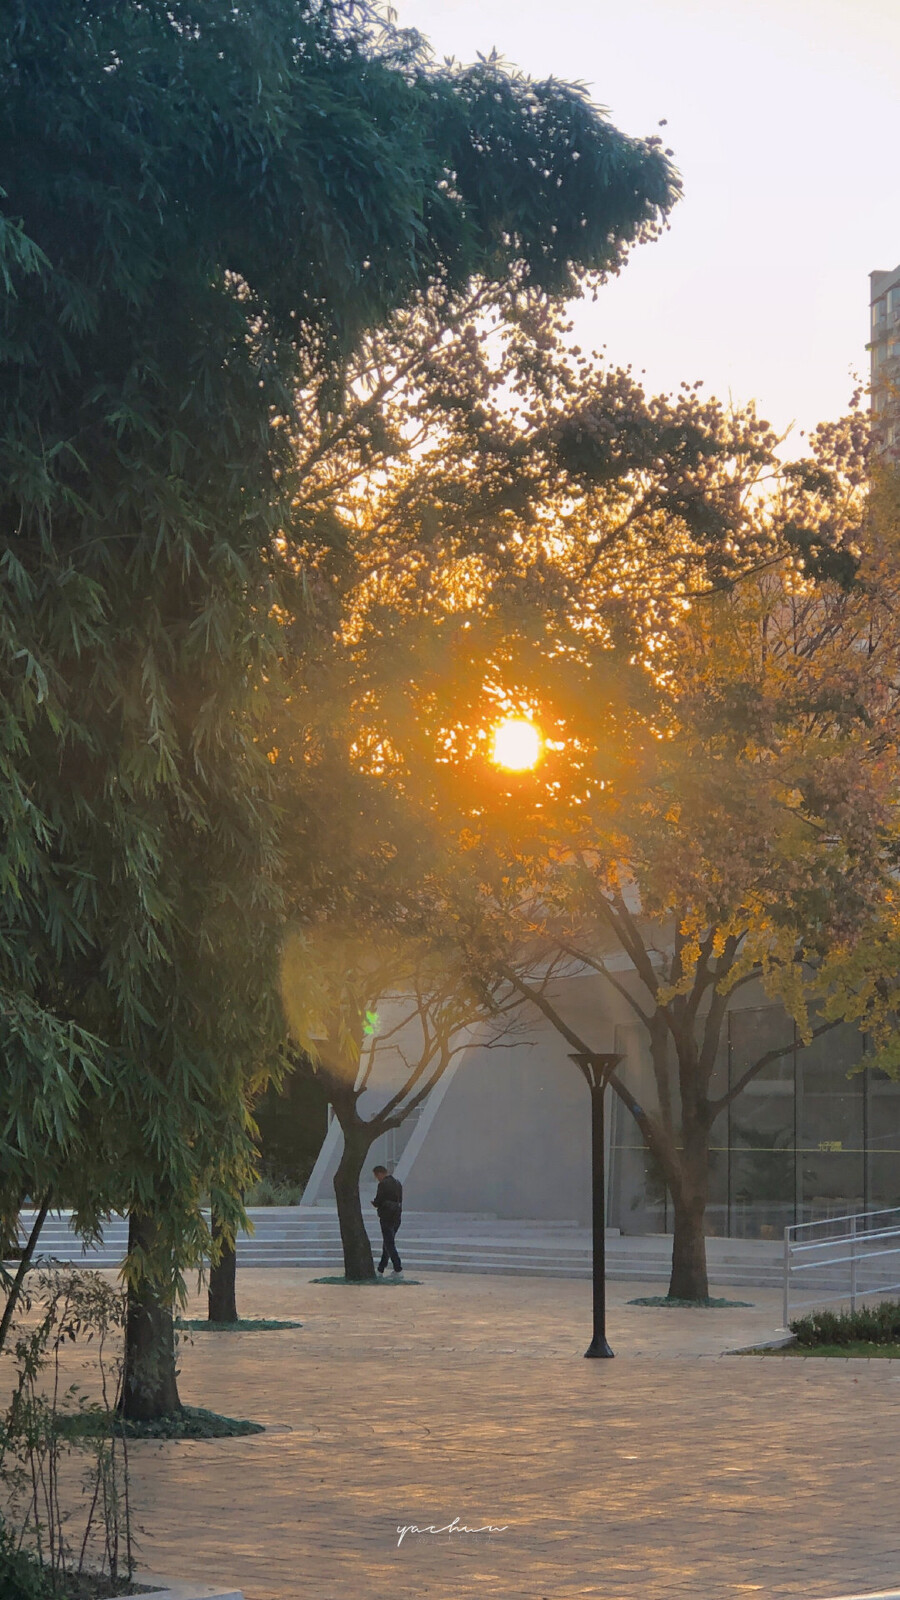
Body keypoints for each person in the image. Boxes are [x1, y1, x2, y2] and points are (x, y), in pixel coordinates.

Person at [371, 1164, 403, 1275]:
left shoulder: (383, 1184)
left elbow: (378, 1200)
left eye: (376, 1176)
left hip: (386, 1216)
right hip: (397, 1216)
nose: (377, 1179)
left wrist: (374, 1203)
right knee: (387, 1242)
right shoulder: (398, 1183)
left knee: (389, 1243)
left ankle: (398, 1268)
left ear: (380, 1173)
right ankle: (381, 1268)